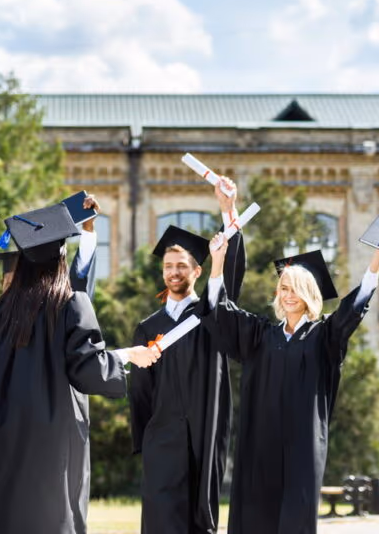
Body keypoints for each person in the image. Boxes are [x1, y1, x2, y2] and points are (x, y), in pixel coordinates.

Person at [0, 203, 161, 534]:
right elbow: (88, 369)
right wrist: (126, 355)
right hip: (41, 451)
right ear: (60, 261)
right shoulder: (69, 306)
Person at [204, 231, 379, 534]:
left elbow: (353, 309)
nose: (288, 294)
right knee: (257, 512)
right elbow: (222, 313)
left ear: (309, 293)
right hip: (261, 441)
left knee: (297, 513)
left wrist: (378, 256)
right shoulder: (260, 336)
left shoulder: (323, 336)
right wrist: (217, 262)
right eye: (283, 288)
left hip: (302, 446)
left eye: (296, 288)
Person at [128, 180, 247, 534]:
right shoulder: (148, 327)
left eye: (182, 265)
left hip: (204, 432)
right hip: (162, 437)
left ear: (198, 271)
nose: (174, 272)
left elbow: (232, 272)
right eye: (168, 266)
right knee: (162, 520)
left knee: (201, 520)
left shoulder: (212, 316)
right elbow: (140, 393)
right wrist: (145, 440)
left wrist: (228, 211)